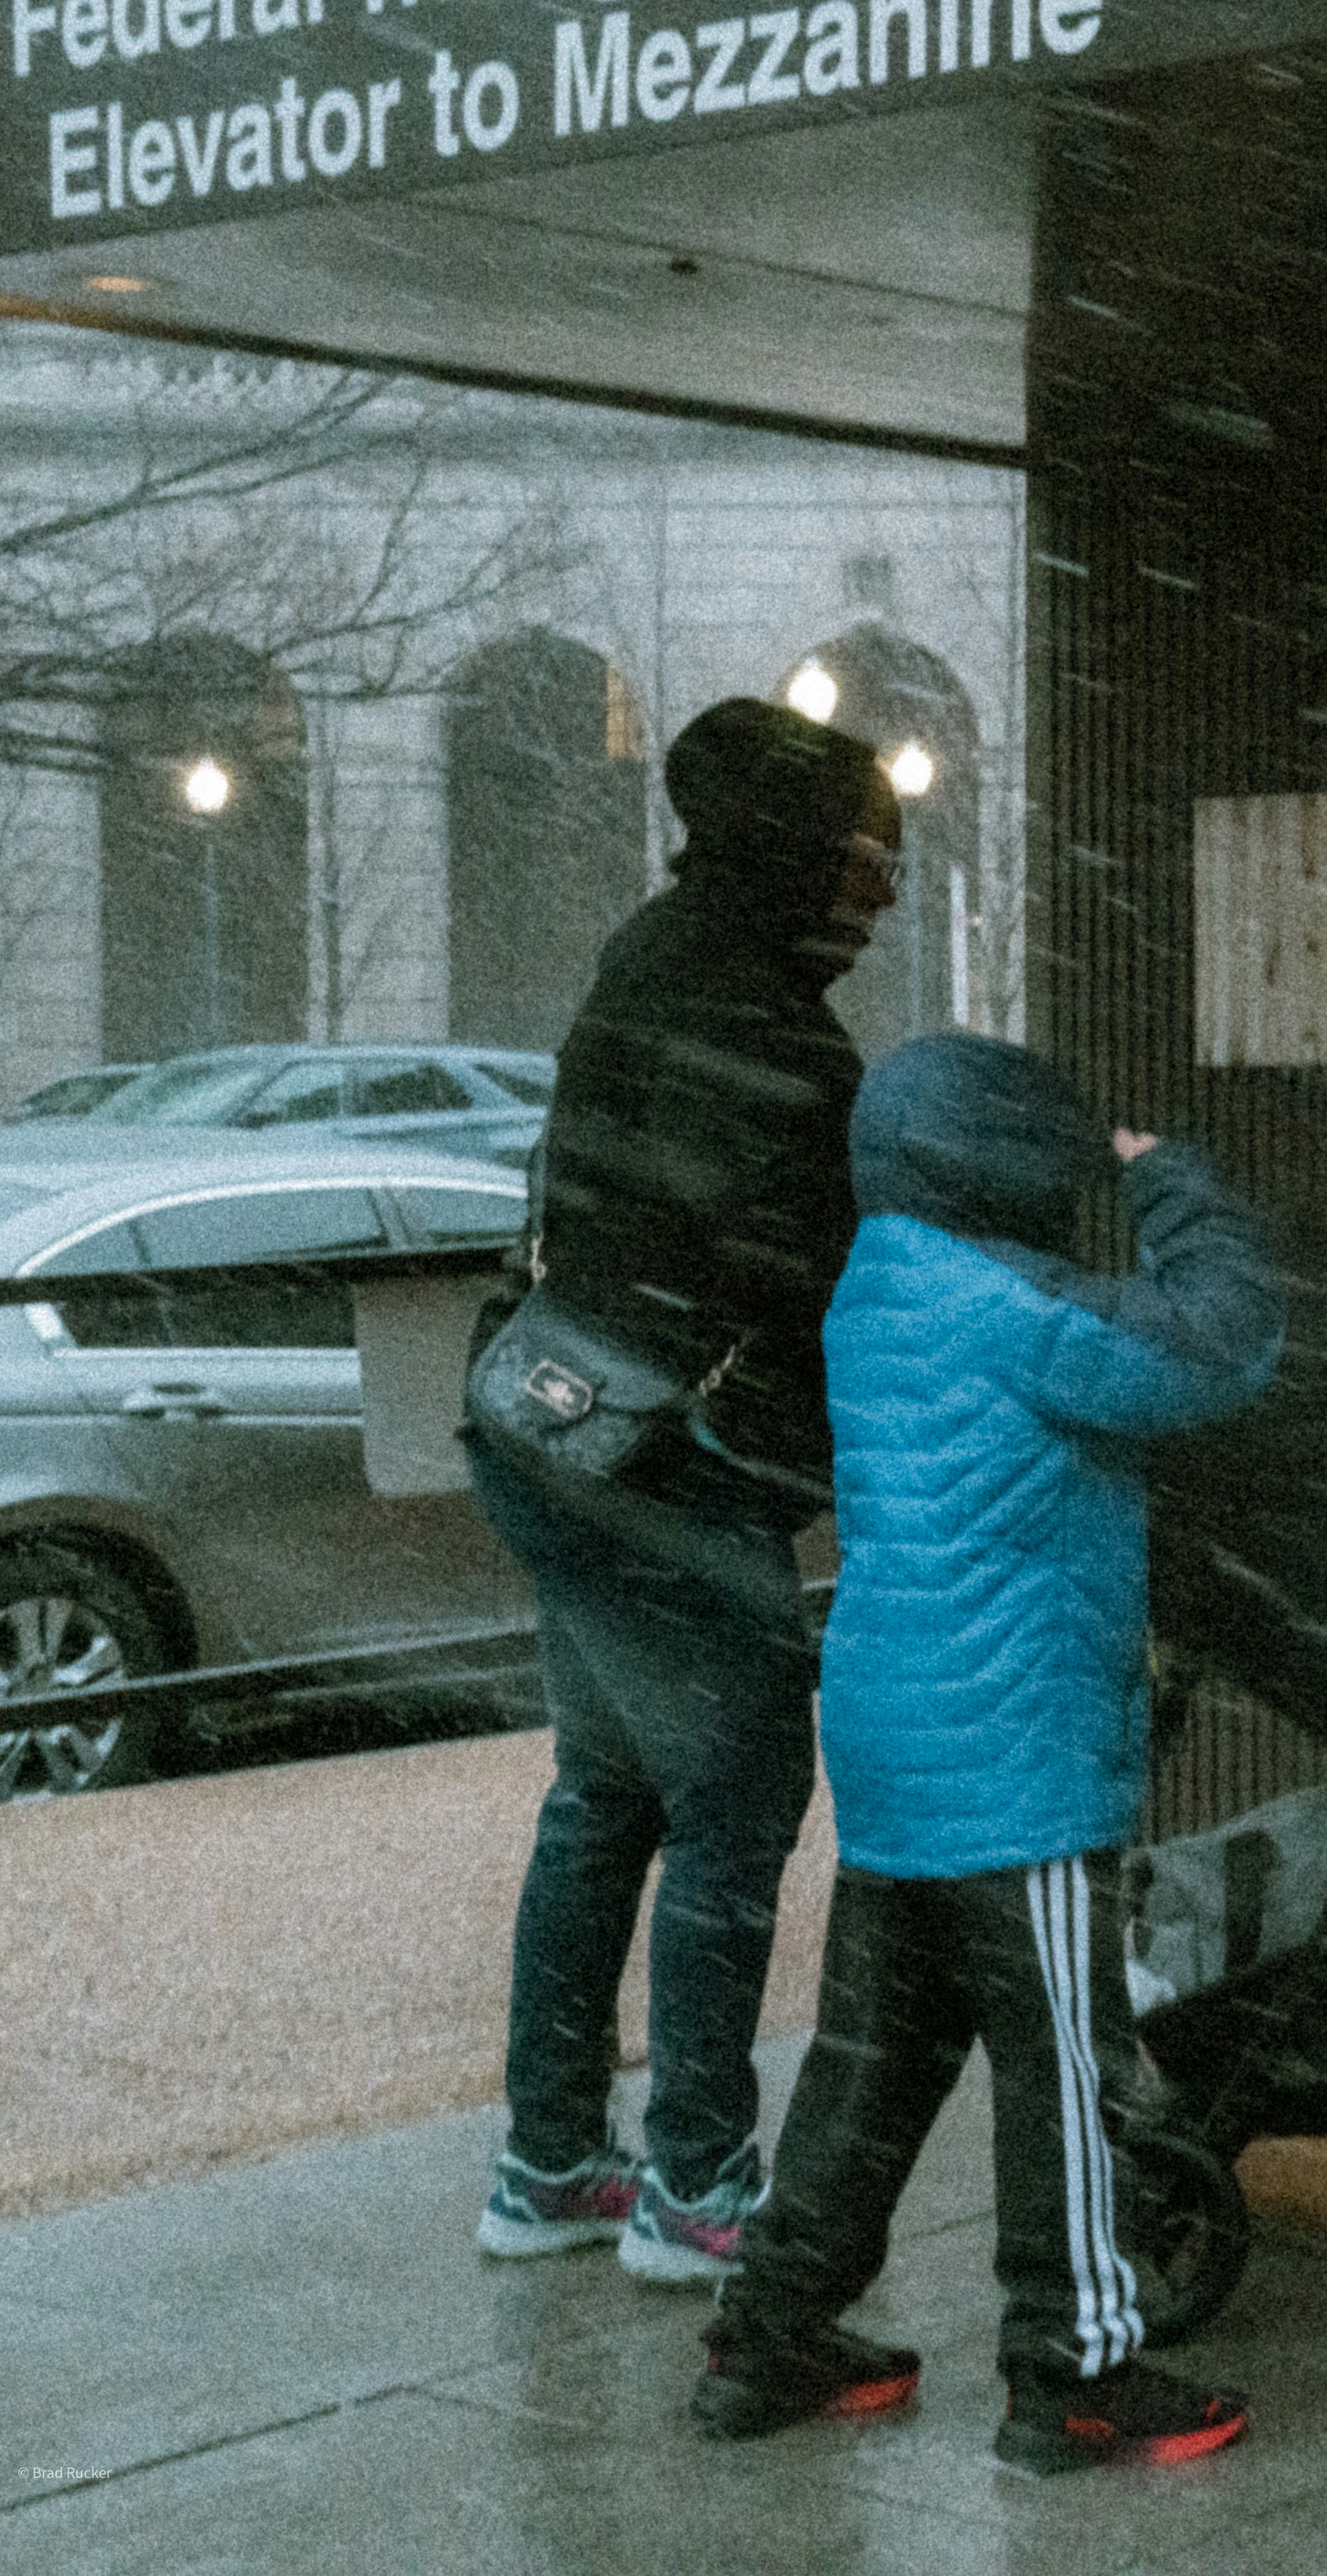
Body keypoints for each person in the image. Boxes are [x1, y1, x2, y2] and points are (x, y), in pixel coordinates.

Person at [694, 1032, 1283, 2475]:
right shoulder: (1013, 1303)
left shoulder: (881, 1285)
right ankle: (1077, 2370)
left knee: (872, 2066)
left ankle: (770, 2336)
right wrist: (1176, 1190)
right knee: (1068, 2069)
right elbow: (1218, 1350)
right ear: (1004, 1161)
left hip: (901, 1740)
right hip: (1009, 1754)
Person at [471, 696, 898, 2282]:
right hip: (667, 1472)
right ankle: (700, 2189)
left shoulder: (653, 957)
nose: (885, 894)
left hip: (550, 1438)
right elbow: (801, 1275)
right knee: (730, 1807)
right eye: (870, 858)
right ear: (801, 852)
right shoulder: (770, 1029)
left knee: (602, 1802)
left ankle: (548, 2164)